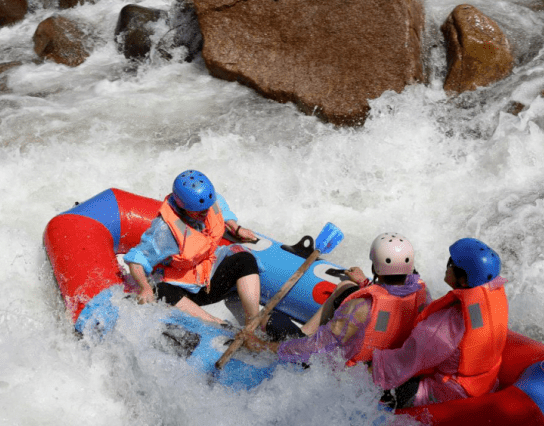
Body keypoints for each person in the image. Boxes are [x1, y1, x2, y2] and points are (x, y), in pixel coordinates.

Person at [371, 238, 508, 408]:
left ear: (463, 280)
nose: (447, 265)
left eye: (451, 263)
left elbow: (409, 358)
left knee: (379, 383)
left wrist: (373, 363)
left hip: (448, 395)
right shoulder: (488, 300)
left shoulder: (448, 322)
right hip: (482, 385)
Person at [124, 170, 263, 331]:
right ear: (183, 206)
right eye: (199, 211)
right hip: (182, 290)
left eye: (206, 209)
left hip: (208, 278)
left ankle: (253, 325)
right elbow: (137, 259)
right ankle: (221, 327)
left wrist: (236, 228)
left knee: (245, 259)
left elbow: (221, 210)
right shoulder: (165, 230)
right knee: (160, 290)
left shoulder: (209, 201)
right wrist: (144, 287)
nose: (205, 213)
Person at [269, 233, 430, 366]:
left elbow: (315, 347)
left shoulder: (360, 307)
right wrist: (365, 284)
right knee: (346, 286)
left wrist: (267, 347)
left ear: (375, 268)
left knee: (271, 322)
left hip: (349, 373)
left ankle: (301, 334)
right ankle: (306, 331)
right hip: (388, 364)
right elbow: (392, 303)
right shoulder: (422, 292)